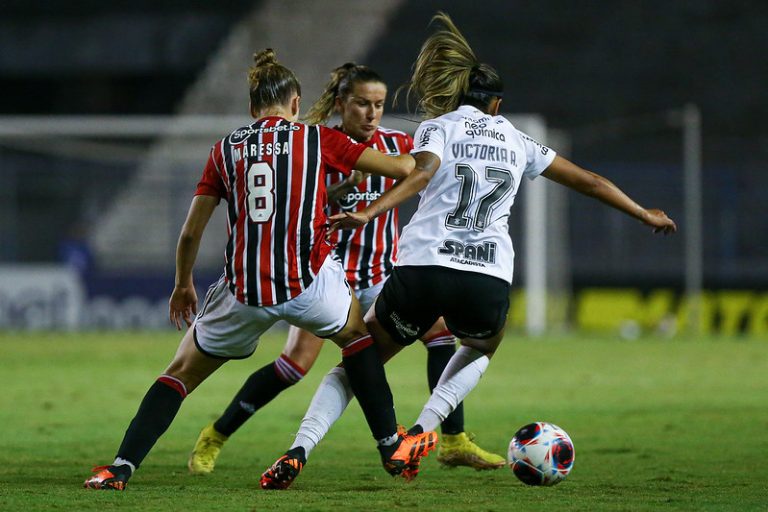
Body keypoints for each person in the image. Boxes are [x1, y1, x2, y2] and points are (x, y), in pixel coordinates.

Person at [260, 12, 678, 488]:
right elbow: (591, 181)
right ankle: (424, 428)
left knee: (359, 361)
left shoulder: (437, 127)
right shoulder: (518, 140)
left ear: (456, 93)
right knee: (481, 344)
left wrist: (369, 211)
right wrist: (644, 213)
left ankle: (299, 450)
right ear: (496, 103)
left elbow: (418, 174)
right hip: (486, 276)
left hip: (422, 268)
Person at [82, 48, 437, 491]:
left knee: (179, 374)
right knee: (356, 337)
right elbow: (404, 167)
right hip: (307, 282)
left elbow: (192, 233)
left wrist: (182, 284)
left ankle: (120, 467)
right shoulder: (316, 139)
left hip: (244, 291)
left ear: (252, 108)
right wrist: (426, 155)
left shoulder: (224, 150)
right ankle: (389, 444)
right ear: (295, 104)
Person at [187, 63, 504, 480]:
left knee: (440, 332)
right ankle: (217, 433)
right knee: (294, 365)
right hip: (325, 276)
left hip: (381, 275)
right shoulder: (314, 145)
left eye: (378, 105)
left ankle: (452, 439)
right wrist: (336, 193)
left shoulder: (398, 145)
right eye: (361, 104)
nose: (372, 114)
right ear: (341, 104)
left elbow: (429, 173)